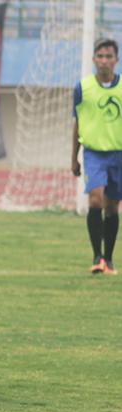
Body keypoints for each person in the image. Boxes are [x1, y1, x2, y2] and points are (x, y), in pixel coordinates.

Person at [72, 37, 122, 275]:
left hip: (119, 154)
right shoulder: (83, 88)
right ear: (94, 59)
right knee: (95, 199)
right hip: (93, 153)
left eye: (108, 56)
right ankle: (96, 256)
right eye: (100, 56)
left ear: (116, 60)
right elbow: (77, 124)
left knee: (112, 207)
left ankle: (109, 260)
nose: (104, 61)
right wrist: (74, 157)